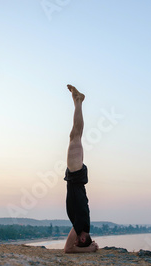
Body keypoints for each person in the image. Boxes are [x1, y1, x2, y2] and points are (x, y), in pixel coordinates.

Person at [63, 84, 99, 254]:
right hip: (76, 177)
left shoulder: (84, 223)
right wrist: (89, 250)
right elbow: (68, 250)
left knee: (74, 136)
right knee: (76, 135)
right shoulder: (80, 225)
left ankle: (77, 101)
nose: (74, 240)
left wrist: (91, 246)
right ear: (82, 238)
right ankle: (79, 101)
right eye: (78, 241)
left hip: (77, 178)